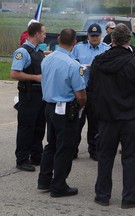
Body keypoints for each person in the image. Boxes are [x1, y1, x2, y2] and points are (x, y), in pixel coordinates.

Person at [87, 23, 135, 209]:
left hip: (107, 118)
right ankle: (129, 196)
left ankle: (102, 194)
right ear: (129, 41)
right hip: (129, 118)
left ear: (113, 40)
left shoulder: (98, 61)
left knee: (105, 157)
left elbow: (91, 88)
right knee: (130, 157)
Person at [37, 28, 87, 197]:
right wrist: (80, 108)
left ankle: (44, 180)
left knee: (51, 145)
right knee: (64, 148)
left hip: (49, 107)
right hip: (65, 109)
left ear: (58, 40)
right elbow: (81, 95)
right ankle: (59, 185)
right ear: (74, 42)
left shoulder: (47, 59)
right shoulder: (73, 65)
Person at [11, 22, 46, 172]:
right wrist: (35, 77)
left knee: (39, 127)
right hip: (28, 95)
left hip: (40, 96)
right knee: (26, 128)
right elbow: (14, 73)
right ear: (37, 34)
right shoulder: (22, 52)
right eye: (43, 33)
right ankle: (22, 159)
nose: (45, 35)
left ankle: (37, 156)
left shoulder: (39, 51)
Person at [72, 23, 110, 160]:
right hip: (81, 90)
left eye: (97, 36)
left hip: (96, 91)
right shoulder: (78, 48)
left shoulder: (107, 49)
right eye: (92, 36)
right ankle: (72, 150)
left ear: (101, 36)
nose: (94, 38)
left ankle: (94, 150)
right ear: (88, 36)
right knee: (77, 122)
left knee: (95, 123)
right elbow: (72, 65)